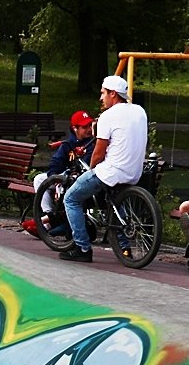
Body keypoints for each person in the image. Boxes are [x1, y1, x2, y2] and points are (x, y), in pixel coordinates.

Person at [61, 75, 148, 262]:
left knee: (71, 199)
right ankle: (124, 248)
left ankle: (82, 248)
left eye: (103, 93)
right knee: (116, 203)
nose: (101, 98)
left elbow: (99, 153)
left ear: (113, 94)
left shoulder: (108, 116)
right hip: (133, 172)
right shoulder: (140, 111)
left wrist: (91, 169)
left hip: (112, 172)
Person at [21, 110, 96, 231]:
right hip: (64, 175)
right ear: (75, 128)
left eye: (89, 126)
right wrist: (54, 179)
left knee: (68, 184)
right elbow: (56, 162)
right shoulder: (67, 144)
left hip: (80, 177)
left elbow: (86, 165)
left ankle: (51, 222)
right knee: (39, 179)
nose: (88, 129)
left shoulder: (91, 144)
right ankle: (49, 214)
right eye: (84, 127)